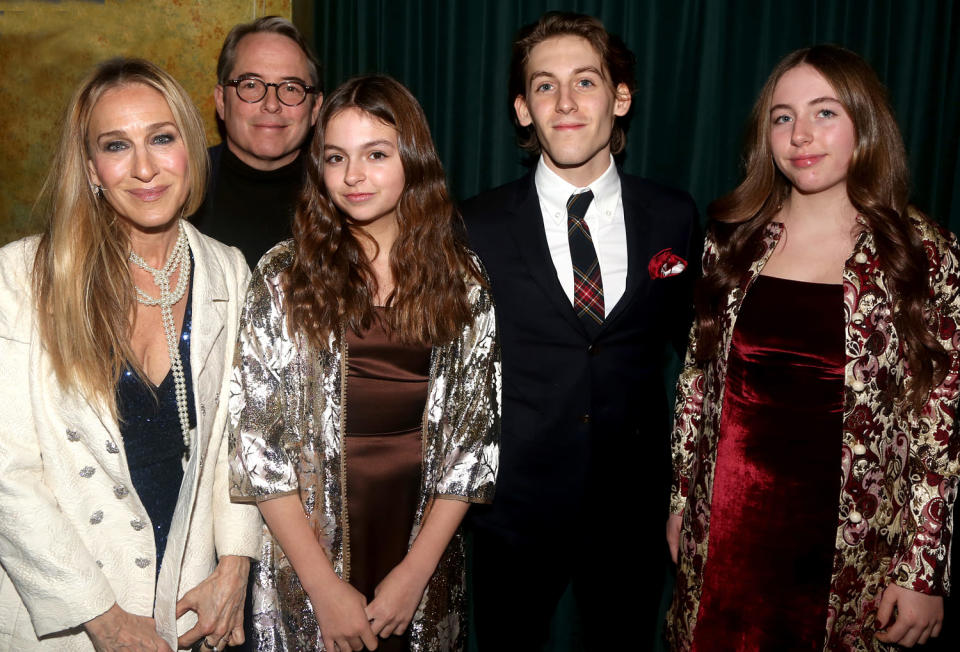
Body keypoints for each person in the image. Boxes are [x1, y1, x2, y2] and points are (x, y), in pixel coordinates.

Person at [666, 44, 959, 650]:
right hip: (725, 539)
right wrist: (681, 501)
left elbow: (939, 422)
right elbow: (696, 384)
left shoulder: (922, 254)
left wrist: (924, 569)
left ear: (865, 123)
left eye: (825, 112)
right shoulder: (734, 240)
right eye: (782, 116)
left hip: (852, 557)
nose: (801, 134)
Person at [228, 74, 500, 652]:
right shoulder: (283, 278)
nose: (353, 176)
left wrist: (415, 573)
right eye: (336, 157)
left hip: (420, 546)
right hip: (308, 555)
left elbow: (473, 446)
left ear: (413, 160)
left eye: (376, 154)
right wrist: (323, 589)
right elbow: (260, 449)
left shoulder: (463, 281)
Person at [0, 58, 262, 651]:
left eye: (162, 139)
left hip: (194, 604)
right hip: (67, 618)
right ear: (91, 167)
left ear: (190, 148)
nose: (145, 168)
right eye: (117, 146)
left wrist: (235, 563)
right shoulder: (21, 276)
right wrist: (105, 621)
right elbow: (6, 471)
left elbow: (239, 438)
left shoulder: (228, 270)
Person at [461, 11, 701, 650]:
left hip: (633, 516)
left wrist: (687, 494)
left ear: (620, 98)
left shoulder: (674, 216)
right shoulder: (476, 225)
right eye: (544, 85)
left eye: (586, 82)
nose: (565, 102)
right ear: (522, 109)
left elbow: (702, 363)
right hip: (510, 515)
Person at [193, 15, 323, 270]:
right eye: (251, 85)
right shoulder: (178, 191)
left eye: (291, 87)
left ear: (315, 108)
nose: (272, 104)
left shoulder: (345, 198)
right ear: (221, 101)